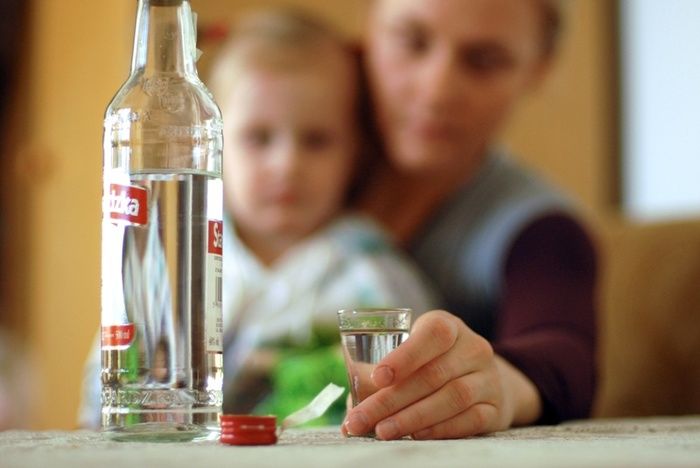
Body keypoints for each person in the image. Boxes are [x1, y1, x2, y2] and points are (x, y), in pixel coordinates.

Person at [78, 9, 436, 428]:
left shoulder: (376, 278)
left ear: (354, 152)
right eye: (258, 138)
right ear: (211, 147)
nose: (286, 164)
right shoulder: (169, 267)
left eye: (316, 140)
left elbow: (420, 396)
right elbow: (102, 403)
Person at [341, 0, 598, 440]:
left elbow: (563, 352)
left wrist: (498, 383)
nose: (436, 90)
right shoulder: (281, 159)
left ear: (538, 69)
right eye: (412, 42)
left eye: (484, 60)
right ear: (367, 29)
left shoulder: (540, 232)